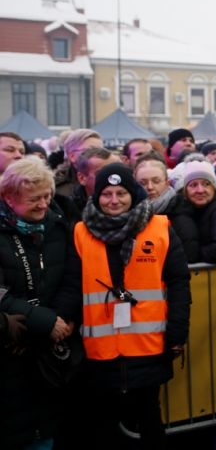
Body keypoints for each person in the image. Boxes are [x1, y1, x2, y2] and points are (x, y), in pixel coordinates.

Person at [71, 162, 190, 449]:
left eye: (121, 193)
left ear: (132, 194)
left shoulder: (160, 228)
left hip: (148, 345)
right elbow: (72, 286)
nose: (114, 200)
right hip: (100, 349)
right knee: (105, 426)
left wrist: (176, 332)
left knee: (149, 419)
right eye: (107, 194)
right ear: (96, 197)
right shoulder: (80, 232)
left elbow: (178, 282)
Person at [0, 157, 81, 450]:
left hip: (50, 345)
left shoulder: (59, 225)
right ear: (9, 198)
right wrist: (43, 321)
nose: (44, 204)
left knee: (47, 424)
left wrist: (58, 320)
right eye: (34, 199)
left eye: (47, 196)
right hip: (13, 343)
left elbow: (73, 277)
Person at [134, 154, 201, 263]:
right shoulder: (130, 213)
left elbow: (189, 255)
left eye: (156, 181)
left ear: (167, 183)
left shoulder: (180, 215)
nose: (150, 187)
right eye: (143, 183)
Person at [181, 160, 216, 264]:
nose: (200, 190)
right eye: (193, 185)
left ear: (214, 187)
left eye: (206, 184)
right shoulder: (185, 208)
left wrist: (192, 255)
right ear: (185, 191)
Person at [53, 129, 103, 198]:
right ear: (72, 156)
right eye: (90, 150)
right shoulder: (57, 189)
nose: (98, 155)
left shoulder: (109, 178)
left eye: (101, 151)